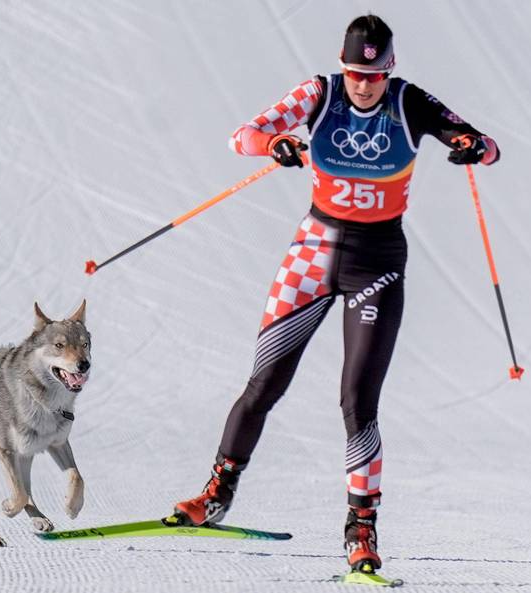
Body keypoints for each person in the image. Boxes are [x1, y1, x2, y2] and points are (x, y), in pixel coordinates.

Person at [172, 14, 500, 572]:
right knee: (263, 384)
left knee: (357, 403)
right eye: (354, 72)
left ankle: (362, 529)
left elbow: (487, 146)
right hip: (312, 254)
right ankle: (216, 495)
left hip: (376, 263)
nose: (363, 84)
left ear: (389, 69)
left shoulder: (408, 101)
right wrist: (275, 141)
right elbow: (240, 136)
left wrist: (472, 146)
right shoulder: (320, 93)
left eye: (372, 74)